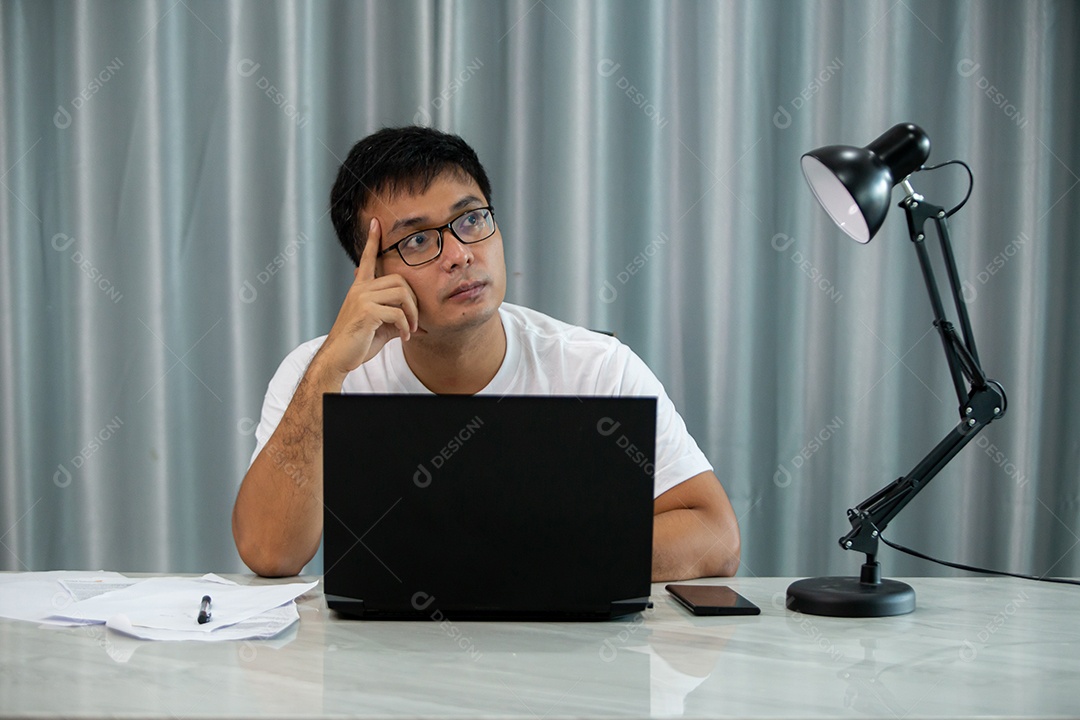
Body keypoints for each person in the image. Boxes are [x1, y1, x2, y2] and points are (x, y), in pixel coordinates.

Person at [233, 126, 740, 580]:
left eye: (472, 220)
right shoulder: (317, 372)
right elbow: (269, 552)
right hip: (382, 666)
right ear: (370, 274)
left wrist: (528, 561)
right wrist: (329, 372)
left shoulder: (596, 366)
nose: (459, 255)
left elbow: (715, 537)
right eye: (417, 240)